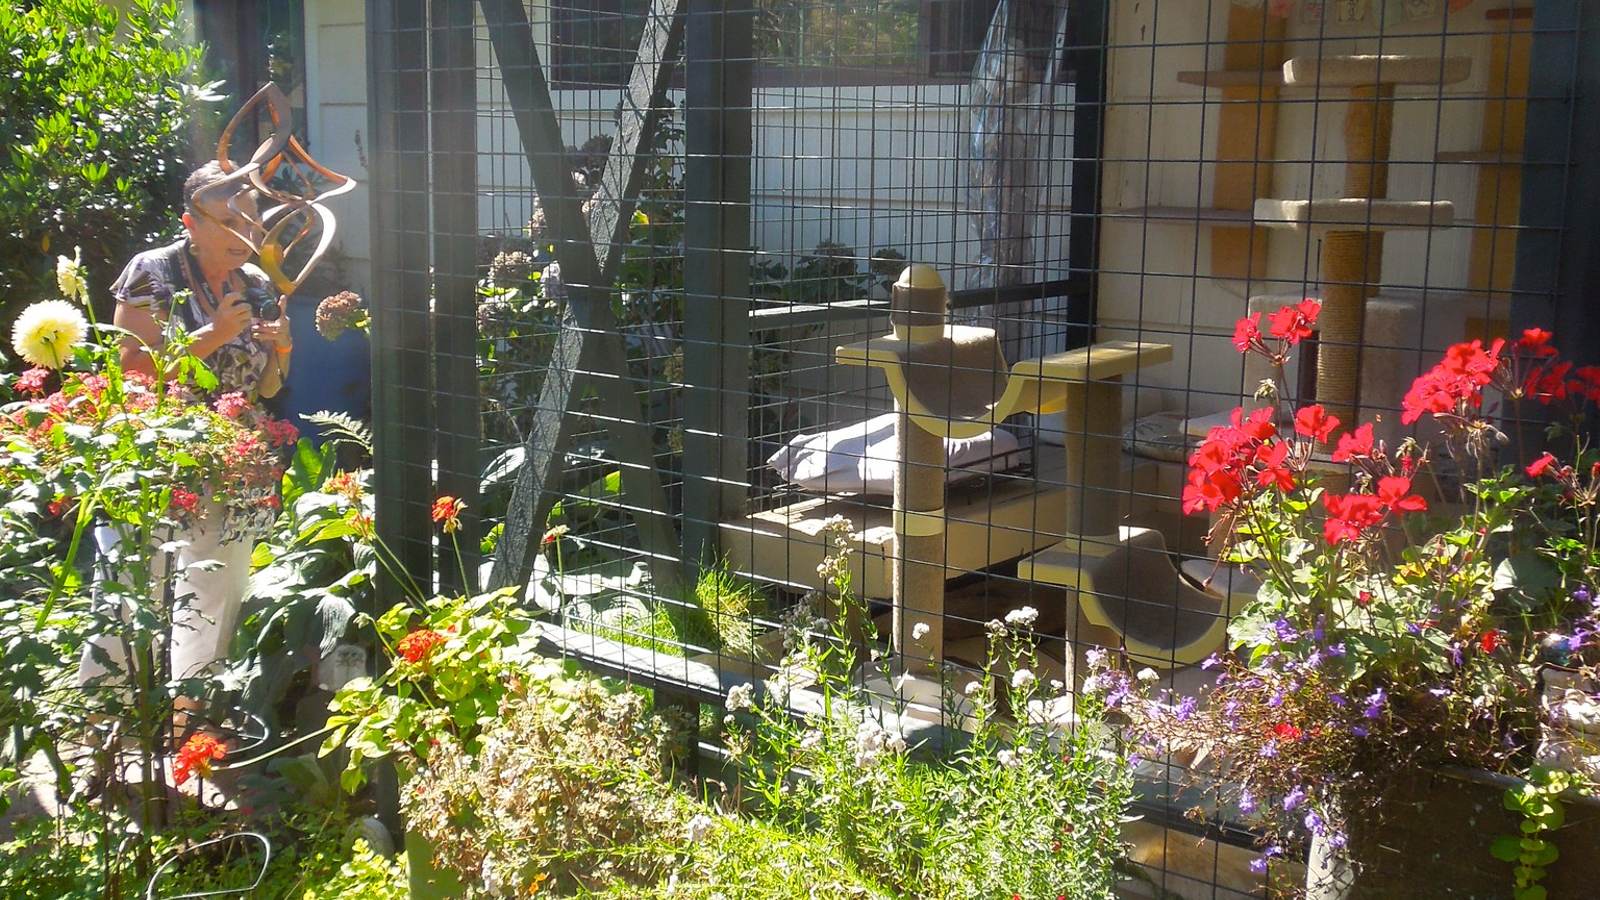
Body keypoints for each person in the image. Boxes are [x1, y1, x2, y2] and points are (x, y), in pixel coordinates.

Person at [78, 161, 293, 735]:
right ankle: (104, 732)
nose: (243, 233)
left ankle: (187, 734)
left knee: (213, 596)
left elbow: (267, 386)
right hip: (155, 462)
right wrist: (212, 336)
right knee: (126, 594)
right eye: (227, 220)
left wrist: (283, 349)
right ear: (189, 222)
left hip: (237, 463)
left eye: (250, 218)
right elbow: (130, 375)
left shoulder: (259, 283)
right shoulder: (152, 272)